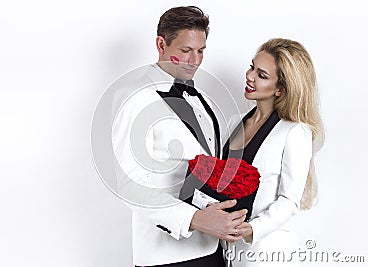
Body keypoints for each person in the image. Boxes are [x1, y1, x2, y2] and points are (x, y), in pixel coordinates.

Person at [111, 6, 247, 267]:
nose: (195, 61)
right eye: (185, 51)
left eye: (201, 51)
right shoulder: (136, 100)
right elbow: (129, 187)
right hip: (166, 257)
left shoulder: (203, 100)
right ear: (161, 44)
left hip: (214, 250)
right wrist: (194, 220)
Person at [222, 38, 324, 266]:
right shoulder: (235, 123)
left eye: (262, 75)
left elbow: (289, 200)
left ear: (281, 89)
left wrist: (251, 230)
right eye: (251, 67)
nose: (249, 76)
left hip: (269, 253)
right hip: (230, 252)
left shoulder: (295, 131)